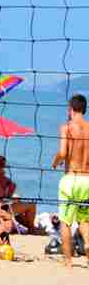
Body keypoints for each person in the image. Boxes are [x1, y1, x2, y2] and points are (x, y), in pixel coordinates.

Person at [51, 94, 89, 267]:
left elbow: (63, 152)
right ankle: (88, 251)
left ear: (70, 109)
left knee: (66, 222)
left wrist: (55, 162)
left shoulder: (66, 127)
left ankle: (67, 260)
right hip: (87, 179)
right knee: (84, 220)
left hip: (71, 178)